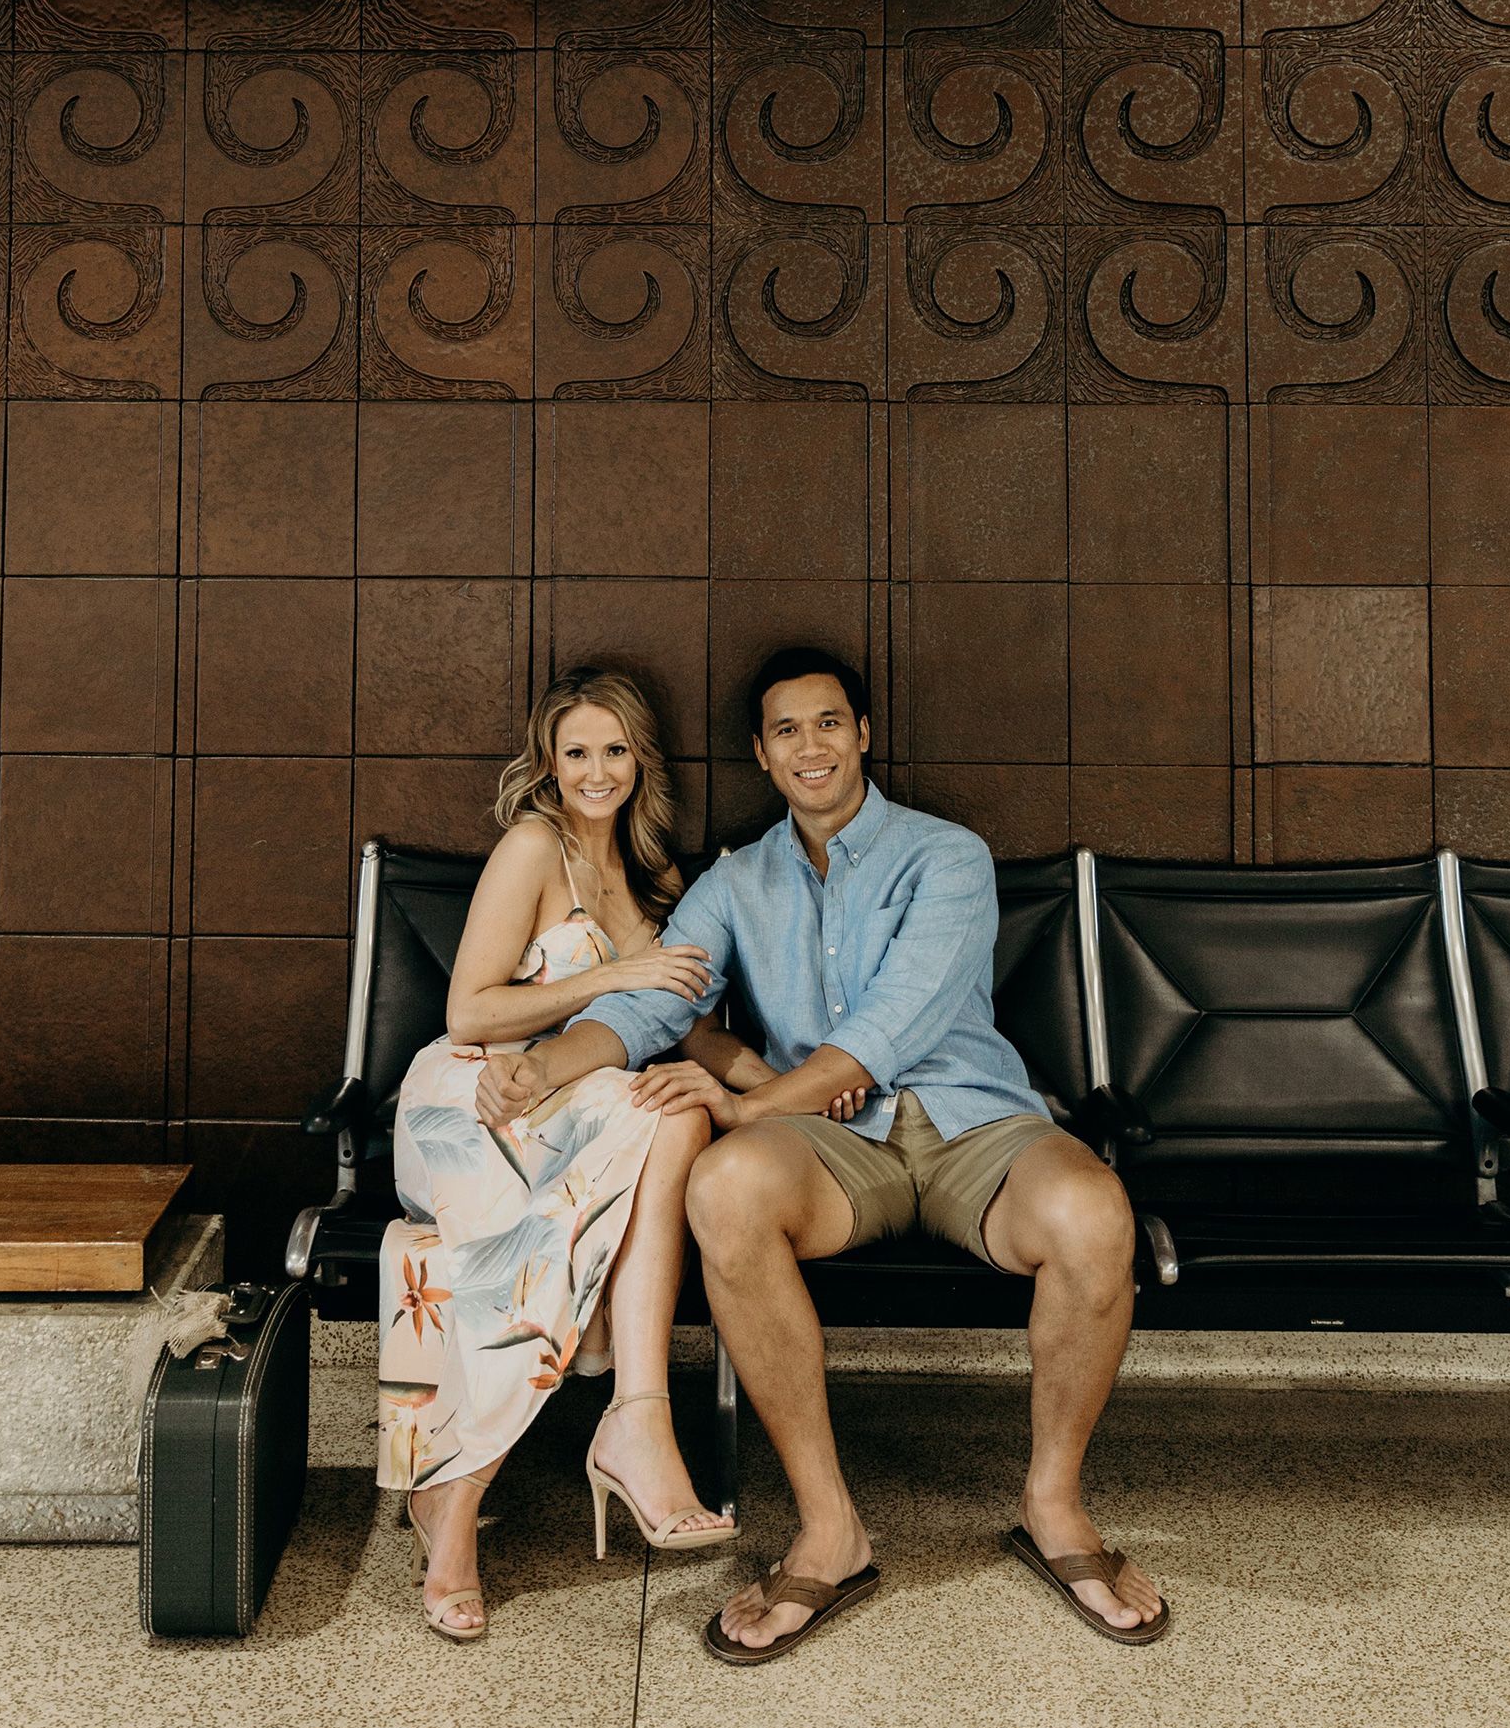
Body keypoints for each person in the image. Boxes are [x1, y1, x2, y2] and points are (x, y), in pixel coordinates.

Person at [474, 645, 1169, 1663]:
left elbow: (888, 1028)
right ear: (760, 752)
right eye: (787, 729)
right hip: (836, 1150)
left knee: (1093, 1212)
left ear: (863, 735)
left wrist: (744, 1099)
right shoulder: (735, 878)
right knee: (725, 1185)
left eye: (829, 722)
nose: (812, 745)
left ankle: (1054, 1506)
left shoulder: (946, 855)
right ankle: (828, 1529)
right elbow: (654, 999)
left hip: (976, 1124)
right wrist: (545, 1066)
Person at [378, 666, 735, 1643]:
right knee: (567, 1206)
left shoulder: (637, 873)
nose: (595, 770)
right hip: (468, 1100)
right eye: (577, 750)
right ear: (547, 761)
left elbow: (678, 1021)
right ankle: (468, 1496)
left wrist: (772, 1084)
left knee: (668, 1104)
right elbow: (470, 1010)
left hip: (566, 1110)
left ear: (639, 761)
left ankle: (465, 1488)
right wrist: (617, 971)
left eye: (614, 750)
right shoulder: (532, 846)